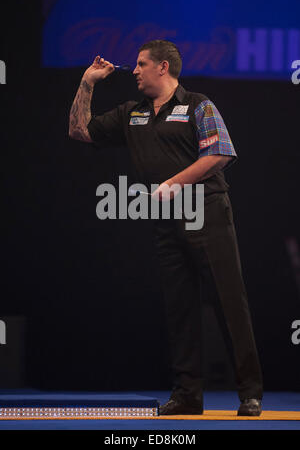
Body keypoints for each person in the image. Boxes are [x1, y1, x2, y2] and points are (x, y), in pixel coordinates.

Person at [69, 40, 263, 416]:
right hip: (165, 219)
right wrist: (88, 81)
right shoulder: (133, 113)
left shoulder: (198, 105)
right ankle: (188, 395)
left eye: (141, 64)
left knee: (229, 302)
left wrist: (174, 183)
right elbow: (80, 131)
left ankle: (249, 392)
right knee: (180, 308)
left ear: (163, 67)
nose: (134, 71)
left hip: (206, 210)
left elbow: (221, 152)